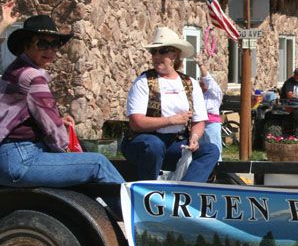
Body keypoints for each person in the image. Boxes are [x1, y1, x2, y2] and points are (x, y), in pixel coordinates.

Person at [0, 14, 124, 187]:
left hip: (10, 155)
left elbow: (23, 113)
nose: (50, 51)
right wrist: (67, 148)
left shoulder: (14, 70)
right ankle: (135, 211)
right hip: (21, 158)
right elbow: (52, 128)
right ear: (26, 45)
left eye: (54, 45)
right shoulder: (33, 77)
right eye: (42, 44)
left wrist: (58, 122)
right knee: (97, 163)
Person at [121, 26, 219, 182]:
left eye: (163, 51)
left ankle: (185, 193)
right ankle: (149, 193)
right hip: (143, 142)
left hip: (176, 144)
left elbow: (199, 121)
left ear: (175, 54)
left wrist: (194, 137)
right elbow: (136, 123)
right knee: (154, 145)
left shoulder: (190, 83)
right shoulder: (143, 82)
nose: (157, 56)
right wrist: (170, 120)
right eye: (154, 52)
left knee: (211, 150)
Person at [197, 61, 223, 160]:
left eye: (202, 80)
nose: (200, 81)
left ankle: (218, 168)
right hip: (199, 123)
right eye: (200, 79)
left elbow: (209, 79)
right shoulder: (198, 94)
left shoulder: (215, 92)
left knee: (214, 148)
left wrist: (200, 65)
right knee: (200, 149)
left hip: (211, 123)